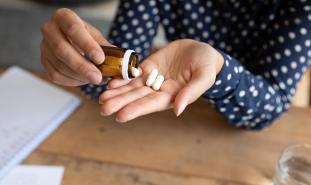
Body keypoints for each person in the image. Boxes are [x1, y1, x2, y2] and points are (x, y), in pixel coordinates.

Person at [40, 0, 311, 130]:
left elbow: (267, 111)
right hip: (166, 117)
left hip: (234, 130)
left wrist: (218, 69)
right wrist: (86, 62)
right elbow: (120, 81)